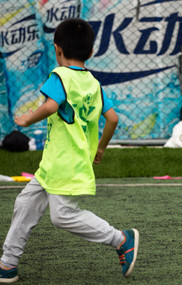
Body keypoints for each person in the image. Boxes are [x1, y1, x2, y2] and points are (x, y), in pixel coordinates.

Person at [0, 18, 138, 283]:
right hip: (56, 163)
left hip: (65, 163)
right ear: (91, 52)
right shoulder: (94, 84)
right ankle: (8, 263)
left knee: (62, 216)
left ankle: (120, 239)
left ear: (57, 49)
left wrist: (27, 119)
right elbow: (113, 119)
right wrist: (101, 148)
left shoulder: (59, 75)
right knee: (25, 203)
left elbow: (51, 107)